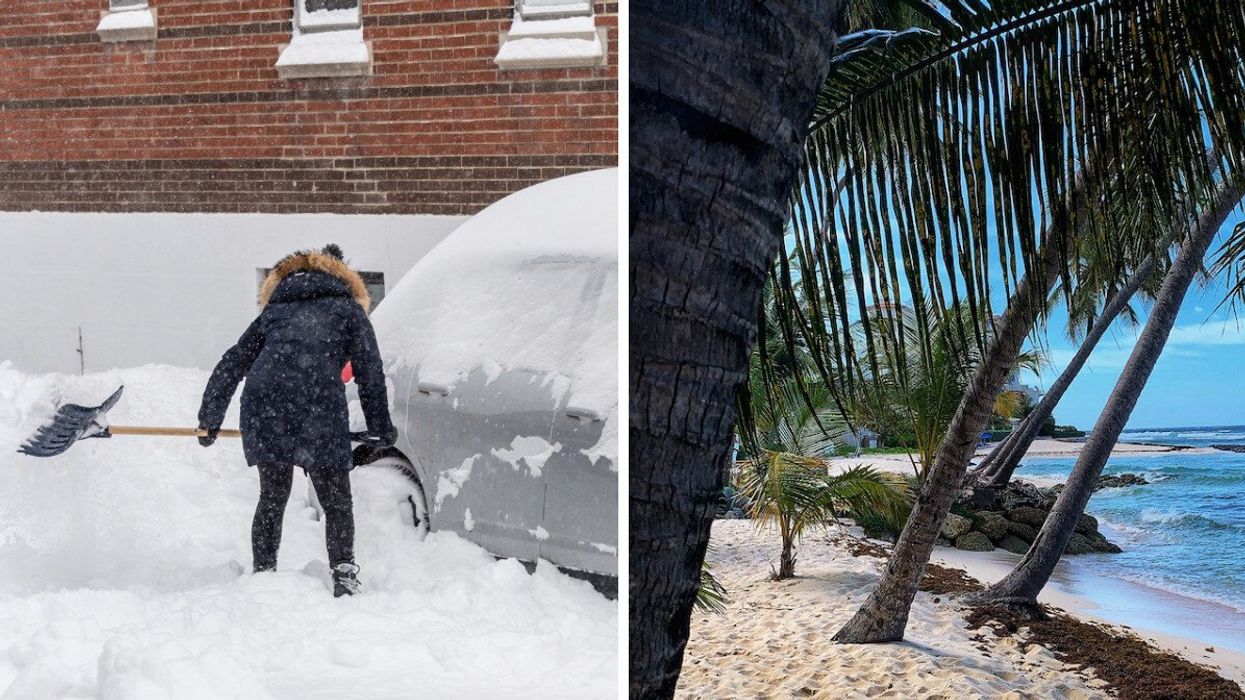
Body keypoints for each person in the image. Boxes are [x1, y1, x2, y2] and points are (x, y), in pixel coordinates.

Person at [197, 244, 396, 597]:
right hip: (317, 408)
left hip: (265, 405)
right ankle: (344, 576)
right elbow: (370, 371)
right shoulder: (348, 310)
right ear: (342, 276)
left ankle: (263, 572)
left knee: (272, 495)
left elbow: (232, 362)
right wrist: (380, 425)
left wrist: (210, 417)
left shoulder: (275, 312)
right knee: (336, 501)